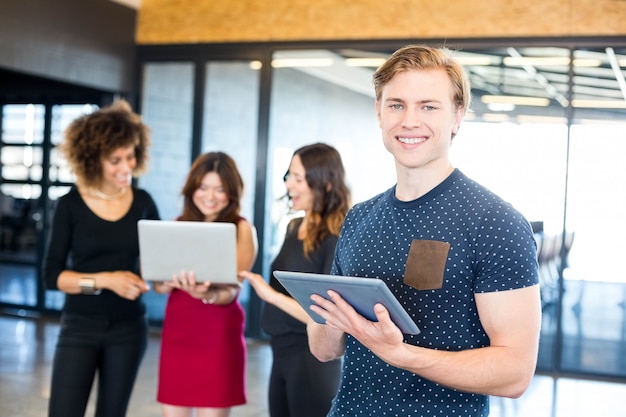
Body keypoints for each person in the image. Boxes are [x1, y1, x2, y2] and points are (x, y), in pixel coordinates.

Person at [306, 45, 542, 417]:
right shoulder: (359, 218)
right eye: (396, 105)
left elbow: (514, 373)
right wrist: (337, 321)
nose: (409, 121)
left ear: (457, 116)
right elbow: (323, 349)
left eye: (428, 106)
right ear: (379, 114)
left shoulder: (496, 223)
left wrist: (403, 355)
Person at [43, 99, 160, 417]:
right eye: (115, 160)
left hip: (128, 329)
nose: (127, 167)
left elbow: (158, 267)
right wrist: (106, 280)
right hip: (79, 326)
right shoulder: (70, 205)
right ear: (92, 159)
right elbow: (52, 277)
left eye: (131, 155)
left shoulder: (144, 203)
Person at [239, 143, 351, 417]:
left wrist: (270, 295)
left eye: (298, 178)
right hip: (281, 350)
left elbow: (326, 315)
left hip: (310, 357)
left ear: (324, 183)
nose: (289, 184)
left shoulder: (335, 237)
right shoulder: (294, 227)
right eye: (289, 175)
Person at [153, 152, 258, 417]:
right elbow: (159, 286)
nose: (210, 197)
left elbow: (233, 289)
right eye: (203, 187)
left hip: (218, 334)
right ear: (192, 189)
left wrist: (207, 293)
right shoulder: (177, 225)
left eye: (220, 189)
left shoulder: (241, 228)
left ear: (231, 192)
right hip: (178, 330)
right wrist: (165, 281)